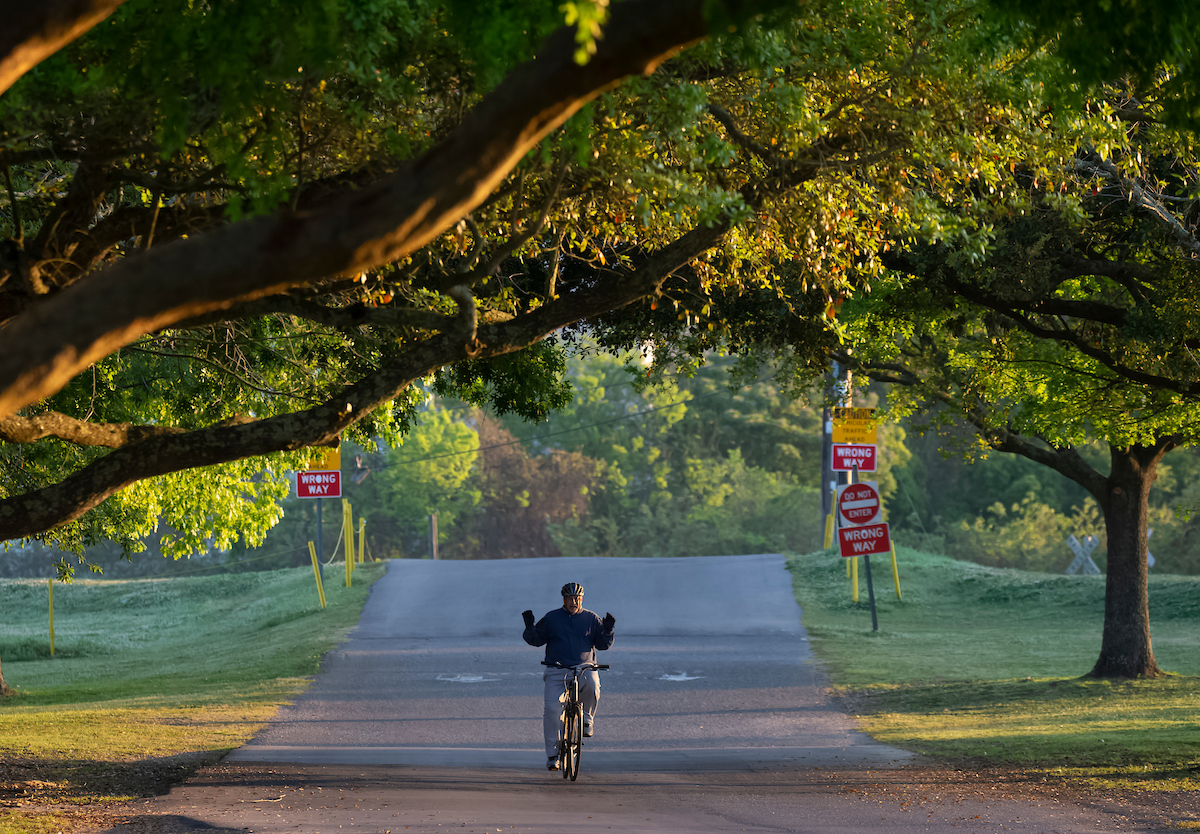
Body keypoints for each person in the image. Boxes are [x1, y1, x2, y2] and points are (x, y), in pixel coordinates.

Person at [522, 582, 615, 770]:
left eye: (578, 598)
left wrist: (607, 630)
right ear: (564, 599)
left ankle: (587, 719)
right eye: (571, 598)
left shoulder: (591, 618)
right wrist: (530, 628)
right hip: (557, 669)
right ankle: (553, 756)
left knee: (593, 682)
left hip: (583, 667)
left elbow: (603, 644)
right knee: (552, 710)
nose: (575, 601)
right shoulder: (552, 618)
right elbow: (536, 640)